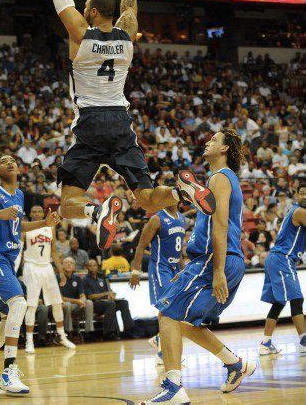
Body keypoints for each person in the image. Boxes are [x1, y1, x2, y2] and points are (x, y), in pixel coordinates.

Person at [47, 0, 215, 250]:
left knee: (67, 201)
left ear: (91, 12)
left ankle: (96, 212)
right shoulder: (127, 34)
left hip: (92, 121)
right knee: (150, 199)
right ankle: (183, 190)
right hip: (122, 122)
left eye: (85, 9)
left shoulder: (80, 35)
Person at [141, 130, 256, 404]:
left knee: (167, 313)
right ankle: (235, 364)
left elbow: (220, 225)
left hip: (215, 259)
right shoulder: (218, 181)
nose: (207, 142)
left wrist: (216, 270)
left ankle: (173, 389)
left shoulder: (220, 178)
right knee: (181, 321)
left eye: (214, 140)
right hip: (218, 259)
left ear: (225, 148)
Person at [0, 154, 59, 394]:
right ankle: (9, 370)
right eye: (3, 161)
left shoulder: (20, 195)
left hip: (6, 259)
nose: (9, 162)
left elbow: (17, 226)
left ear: (19, 168)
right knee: (19, 304)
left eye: (12, 160)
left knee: (8, 318)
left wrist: (44, 223)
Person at [130, 201, 186, 366]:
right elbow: (140, 246)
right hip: (160, 268)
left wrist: (184, 271)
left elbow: (179, 251)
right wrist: (135, 271)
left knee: (175, 310)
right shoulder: (157, 219)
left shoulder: (182, 219)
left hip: (175, 268)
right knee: (166, 308)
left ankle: (158, 339)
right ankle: (162, 351)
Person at [259, 181, 306, 356]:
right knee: (297, 299)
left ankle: (265, 342)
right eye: (302, 193)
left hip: (278, 259)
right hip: (282, 259)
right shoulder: (300, 211)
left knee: (279, 303)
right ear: (296, 195)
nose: (305, 196)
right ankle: (304, 340)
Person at [21, 204, 75, 354]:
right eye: (34, 211)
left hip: (47, 266)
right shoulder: (25, 227)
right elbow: (19, 250)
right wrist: (15, 269)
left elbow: (54, 252)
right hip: (31, 266)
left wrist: (61, 272)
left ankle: (61, 335)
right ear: (30, 213)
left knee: (57, 302)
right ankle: (29, 340)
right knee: (31, 305)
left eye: (39, 211)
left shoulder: (50, 227)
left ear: (43, 213)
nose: (37, 214)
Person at [83, 259, 134, 340]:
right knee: (111, 305)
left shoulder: (102, 278)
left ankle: (128, 331)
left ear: (97, 267)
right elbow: (90, 296)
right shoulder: (85, 280)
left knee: (123, 302)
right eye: (90, 266)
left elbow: (109, 292)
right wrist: (106, 294)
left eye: (94, 265)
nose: (92, 268)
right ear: (87, 268)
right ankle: (108, 333)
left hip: (106, 302)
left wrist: (112, 295)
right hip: (94, 304)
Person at [60, 256, 94, 337]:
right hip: (62, 305)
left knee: (89, 302)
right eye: (66, 262)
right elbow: (60, 298)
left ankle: (88, 332)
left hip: (75, 305)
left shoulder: (77, 278)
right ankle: (68, 331)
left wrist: (82, 300)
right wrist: (77, 301)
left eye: (71, 263)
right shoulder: (58, 278)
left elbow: (82, 295)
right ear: (62, 266)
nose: (69, 264)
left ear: (74, 267)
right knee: (67, 304)